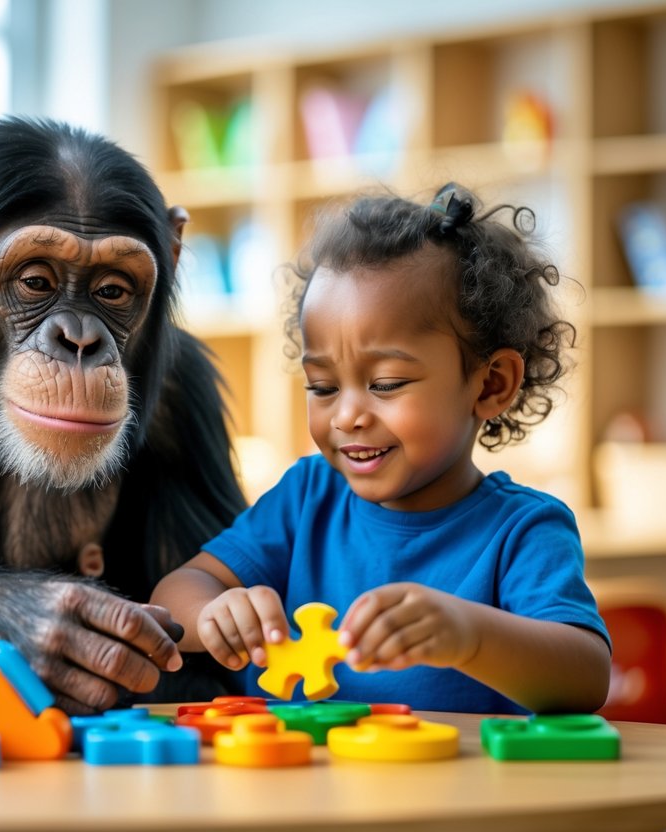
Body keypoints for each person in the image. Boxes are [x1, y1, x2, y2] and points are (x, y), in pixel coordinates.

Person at [151, 183, 611, 715]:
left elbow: (586, 676)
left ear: (490, 385)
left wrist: (471, 636)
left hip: (450, 797)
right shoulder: (306, 499)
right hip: (293, 790)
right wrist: (214, 611)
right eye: (322, 387)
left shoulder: (523, 531)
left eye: (387, 384)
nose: (347, 415)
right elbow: (176, 592)